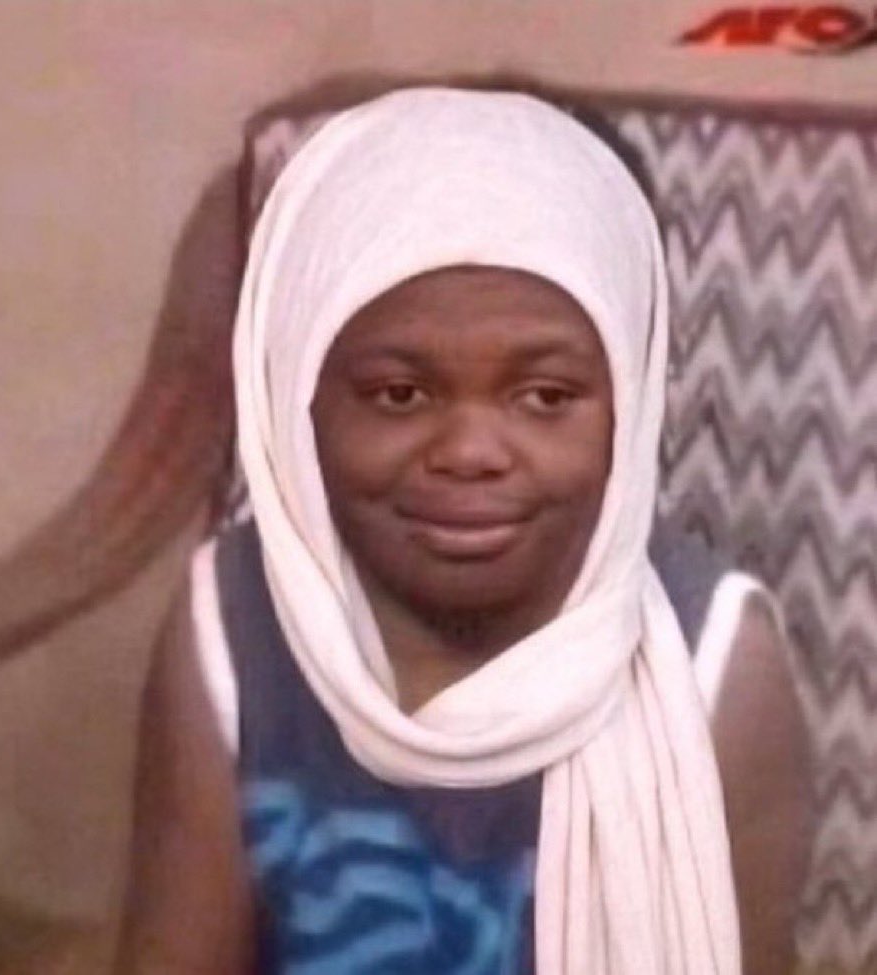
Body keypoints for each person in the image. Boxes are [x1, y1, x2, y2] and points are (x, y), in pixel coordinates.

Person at [116, 86, 809, 975]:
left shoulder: (714, 660)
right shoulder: (233, 623)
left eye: (544, 396)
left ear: (629, 407)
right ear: (299, 399)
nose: (471, 452)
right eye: (398, 394)